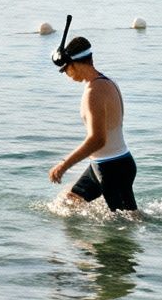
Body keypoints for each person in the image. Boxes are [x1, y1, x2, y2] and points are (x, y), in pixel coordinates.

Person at [47, 19, 138, 213]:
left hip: (112, 168)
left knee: (127, 227)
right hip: (105, 165)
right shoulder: (107, 81)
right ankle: (81, 244)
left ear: (74, 64)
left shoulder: (93, 92)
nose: (67, 75)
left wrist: (64, 165)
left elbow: (97, 139)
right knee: (68, 202)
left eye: (65, 70)